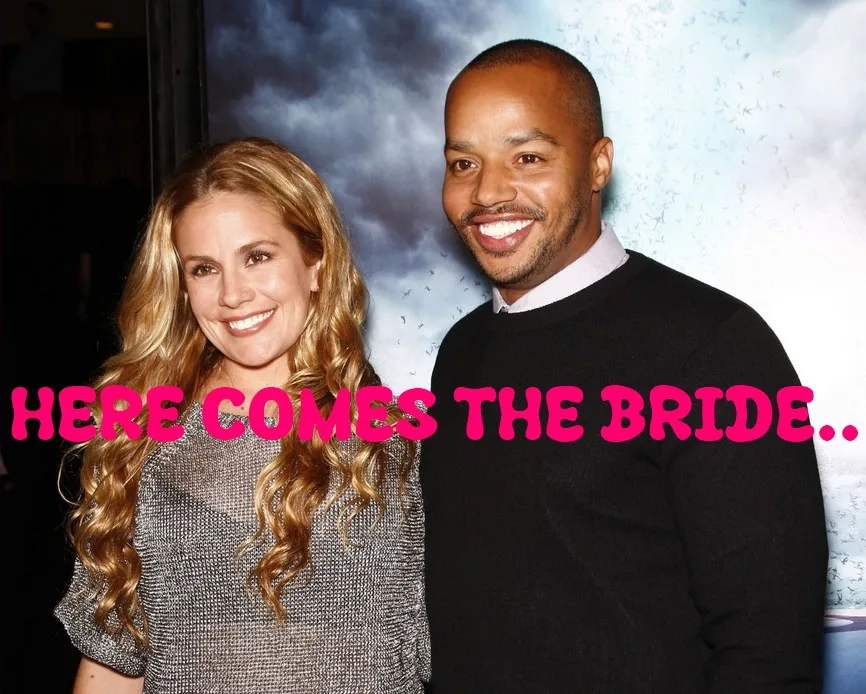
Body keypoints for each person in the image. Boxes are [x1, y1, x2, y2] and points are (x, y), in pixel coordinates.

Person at [421, 39, 828, 693]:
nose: (488, 191)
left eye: (528, 157)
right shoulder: (461, 352)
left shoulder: (713, 347)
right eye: (463, 163)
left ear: (597, 164)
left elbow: (768, 653)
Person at [55, 138, 430, 693]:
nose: (232, 294)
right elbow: (111, 665)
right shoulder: (141, 442)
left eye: (257, 256)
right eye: (204, 269)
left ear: (315, 263)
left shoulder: (392, 446)